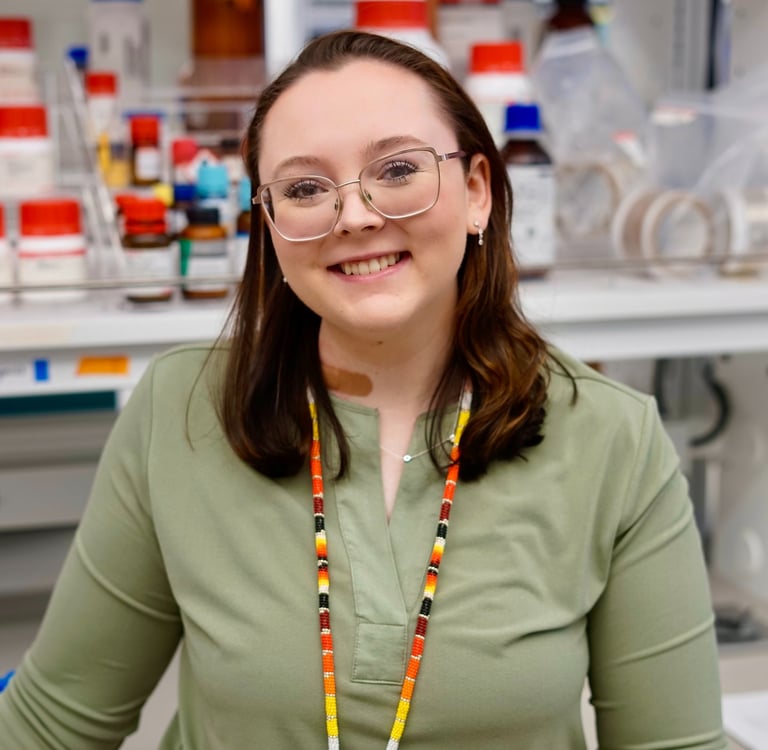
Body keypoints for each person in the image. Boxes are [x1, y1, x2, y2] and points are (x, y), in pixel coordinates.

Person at [0, 30, 726, 750]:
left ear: (477, 192)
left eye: (399, 169)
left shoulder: (611, 436)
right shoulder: (182, 409)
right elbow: (50, 727)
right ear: (269, 224)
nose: (355, 216)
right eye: (305, 189)